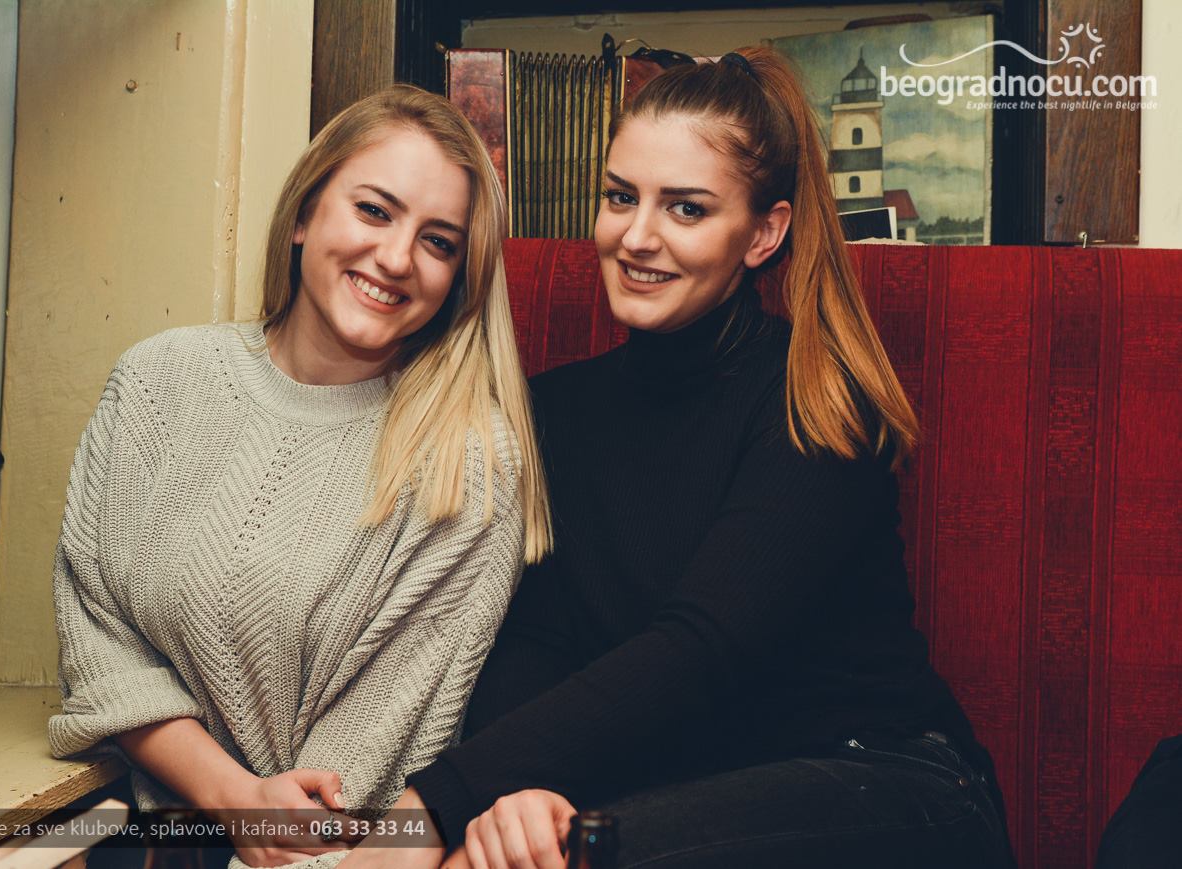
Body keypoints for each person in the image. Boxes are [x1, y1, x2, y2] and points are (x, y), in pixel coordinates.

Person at [343, 48, 1016, 869]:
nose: (636, 237)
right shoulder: (554, 409)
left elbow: (703, 650)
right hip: (677, 786)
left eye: (686, 209)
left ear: (763, 233)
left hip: (889, 786)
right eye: (620, 197)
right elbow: (537, 641)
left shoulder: (816, 399)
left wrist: (433, 804)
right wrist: (519, 791)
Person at [48, 85, 551, 869]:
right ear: (304, 214)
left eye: (438, 242)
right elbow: (95, 635)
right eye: (375, 210)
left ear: (460, 276)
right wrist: (229, 793)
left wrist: (261, 822)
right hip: (126, 834)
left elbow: (367, 758)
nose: (396, 258)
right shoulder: (157, 380)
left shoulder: (469, 459)